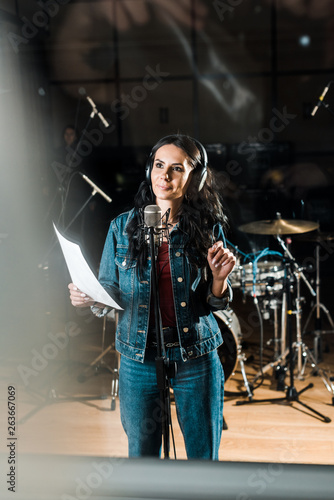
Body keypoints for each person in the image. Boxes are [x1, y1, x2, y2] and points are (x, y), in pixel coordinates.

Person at [68, 134, 236, 460]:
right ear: (149, 170)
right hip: (137, 357)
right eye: (159, 165)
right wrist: (92, 298)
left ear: (194, 179)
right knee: (142, 457)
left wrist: (219, 280)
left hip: (195, 355)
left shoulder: (207, 227)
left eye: (177, 169)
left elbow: (213, 303)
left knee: (204, 458)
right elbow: (110, 288)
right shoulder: (122, 228)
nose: (165, 176)